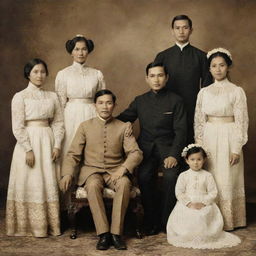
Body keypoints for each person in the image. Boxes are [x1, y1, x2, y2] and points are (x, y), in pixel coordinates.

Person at [60, 90, 143, 250]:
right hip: (92, 172)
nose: (105, 106)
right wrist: (67, 173)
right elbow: (73, 154)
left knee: (125, 184)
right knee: (92, 186)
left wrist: (123, 169)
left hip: (115, 171)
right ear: (94, 105)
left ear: (114, 105)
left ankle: (116, 234)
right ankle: (103, 234)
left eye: (109, 103)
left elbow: (136, 153)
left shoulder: (123, 127)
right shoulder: (85, 126)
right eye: (101, 103)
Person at [117, 62, 187, 235]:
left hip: (168, 148)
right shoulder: (140, 100)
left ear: (167, 78)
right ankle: (151, 220)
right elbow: (121, 118)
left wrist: (174, 155)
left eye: (160, 75)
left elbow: (181, 131)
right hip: (146, 149)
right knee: (144, 177)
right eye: (152, 76)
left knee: (171, 177)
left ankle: (167, 221)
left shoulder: (176, 100)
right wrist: (120, 123)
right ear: (147, 79)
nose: (157, 80)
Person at [6, 59, 64, 237]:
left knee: (46, 180)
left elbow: (59, 122)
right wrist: (28, 149)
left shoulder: (53, 96)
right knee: (31, 180)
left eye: (43, 72)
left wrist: (57, 145)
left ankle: (49, 226)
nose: (40, 75)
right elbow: (18, 126)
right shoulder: (20, 96)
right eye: (35, 72)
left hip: (47, 140)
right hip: (29, 141)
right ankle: (27, 227)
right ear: (28, 74)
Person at [194, 48, 249, 230]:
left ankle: (229, 220)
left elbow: (241, 121)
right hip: (210, 135)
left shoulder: (236, 91)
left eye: (222, 65)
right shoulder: (204, 92)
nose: (218, 69)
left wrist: (236, 147)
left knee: (227, 176)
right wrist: (200, 146)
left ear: (228, 68)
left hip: (229, 135)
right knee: (210, 176)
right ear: (209, 69)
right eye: (214, 66)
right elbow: (199, 121)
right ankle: (209, 219)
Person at [167, 144, 241, 249]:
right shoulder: (183, 176)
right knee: (189, 214)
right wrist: (188, 203)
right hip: (188, 202)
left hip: (204, 202)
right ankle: (188, 234)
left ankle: (205, 234)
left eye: (199, 159)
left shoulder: (207, 175)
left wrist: (204, 203)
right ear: (187, 160)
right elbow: (179, 192)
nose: (196, 162)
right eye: (192, 159)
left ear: (204, 160)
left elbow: (213, 192)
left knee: (203, 214)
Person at [154, 14, 211, 144]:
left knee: (191, 145)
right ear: (172, 31)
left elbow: (207, 87)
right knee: (168, 145)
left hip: (192, 108)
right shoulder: (162, 56)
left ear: (191, 30)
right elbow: (155, 84)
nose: (181, 31)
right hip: (167, 109)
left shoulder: (201, 56)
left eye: (185, 28)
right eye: (177, 28)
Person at [55, 34, 106, 173]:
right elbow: (60, 103)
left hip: (91, 113)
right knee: (71, 149)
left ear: (88, 51)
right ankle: (68, 189)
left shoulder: (96, 74)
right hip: (71, 114)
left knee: (92, 149)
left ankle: (88, 184)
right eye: (77, 49)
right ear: (71, 52)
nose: (80, 53)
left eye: (84, 49)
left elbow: (102, 99)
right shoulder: (63, 74)